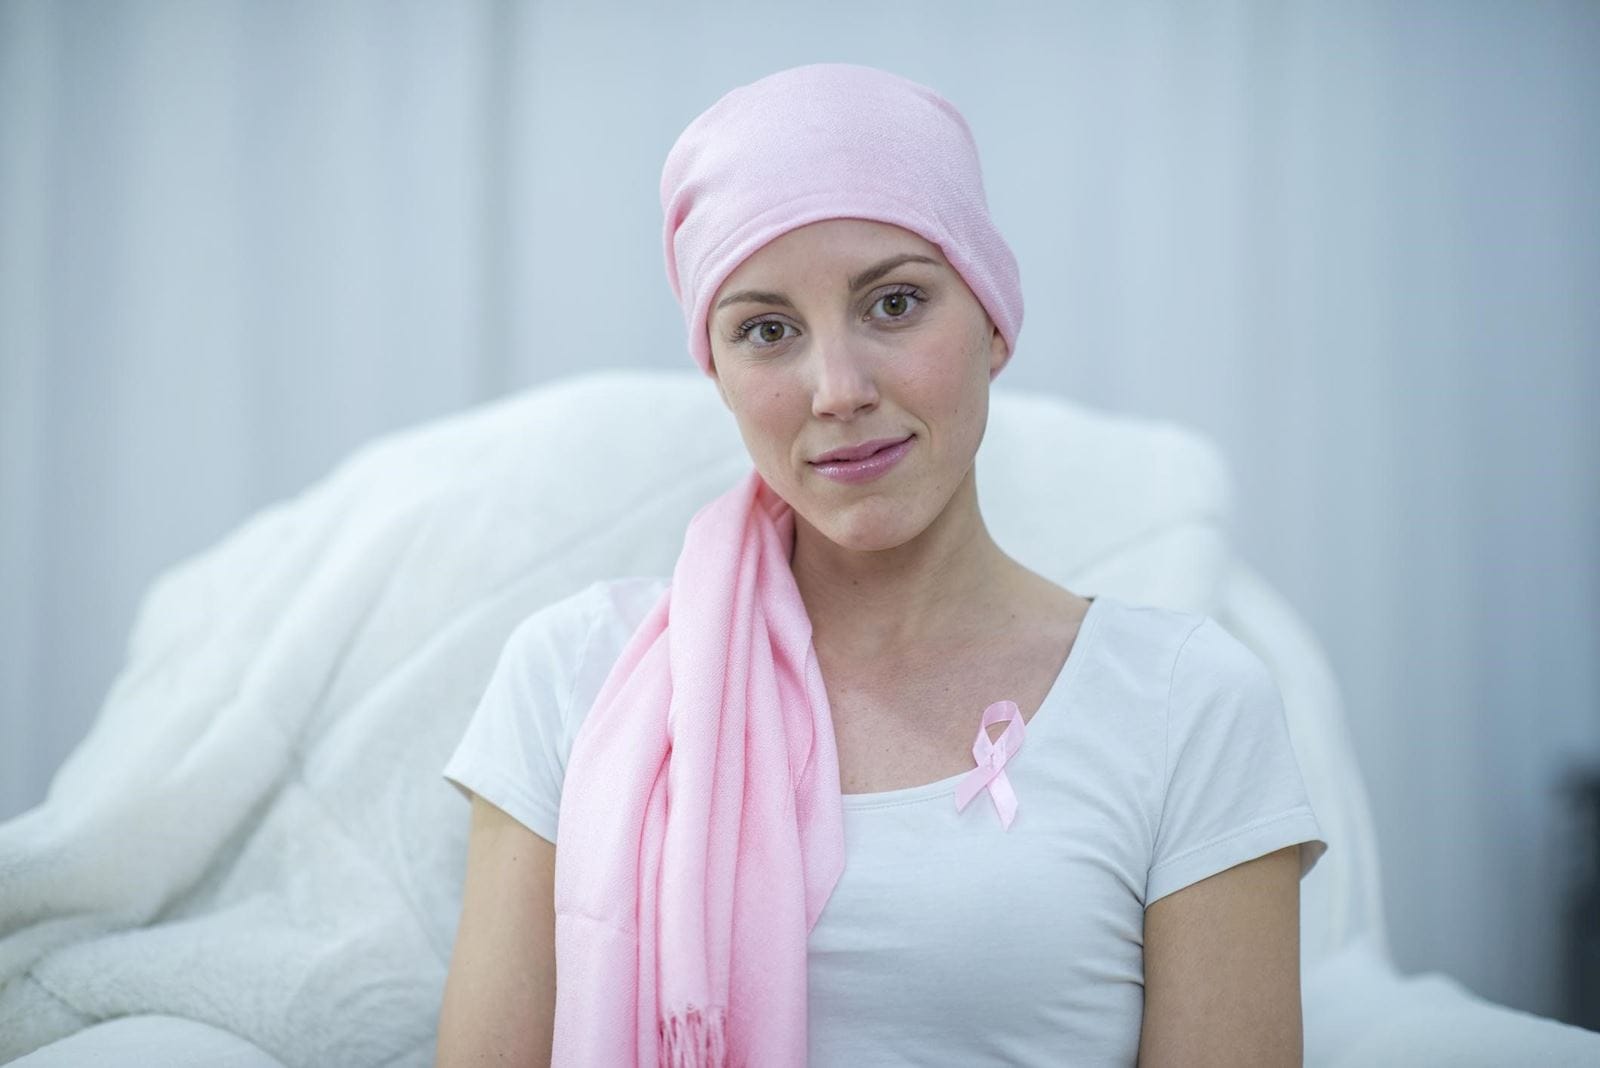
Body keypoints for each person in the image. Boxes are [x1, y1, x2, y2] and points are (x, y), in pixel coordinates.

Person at [435, 62, 1327, 1067]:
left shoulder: (1187, 703)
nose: (837, 388)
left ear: (993, 321)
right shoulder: (572, 676)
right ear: (718, 372)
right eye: (767, 331)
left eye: (894, 305)